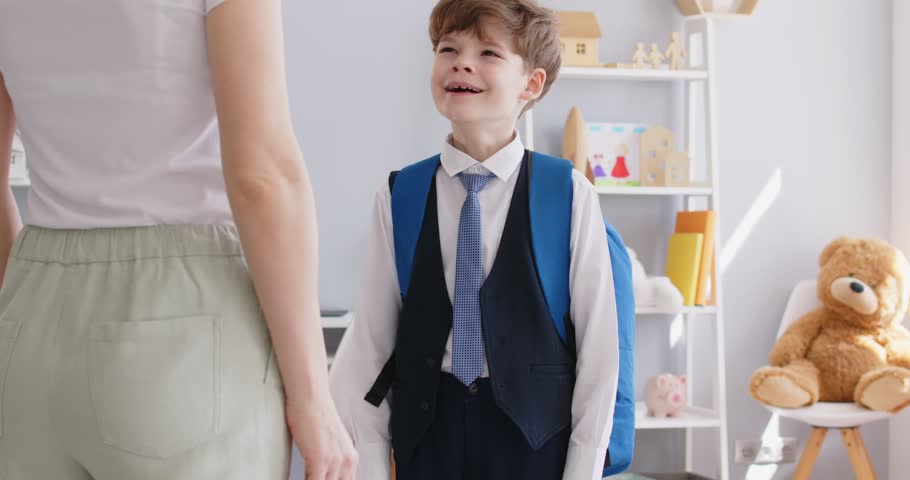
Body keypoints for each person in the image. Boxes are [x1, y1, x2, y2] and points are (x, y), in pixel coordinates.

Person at [0, 1, 356, 479]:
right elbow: (261, 179)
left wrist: (22, 298)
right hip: (183, 329)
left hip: (29, 333)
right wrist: (314, 399)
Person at [328, 1, 620, 479]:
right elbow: (369, 349)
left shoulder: (568, 194)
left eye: (488, 52)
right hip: (428, 437)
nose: (462, 62)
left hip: (535, 442)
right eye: (449, 48)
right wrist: (373, 468)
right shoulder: (400, 193)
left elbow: (600, 356)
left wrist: (582, 471)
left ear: (531, 83)